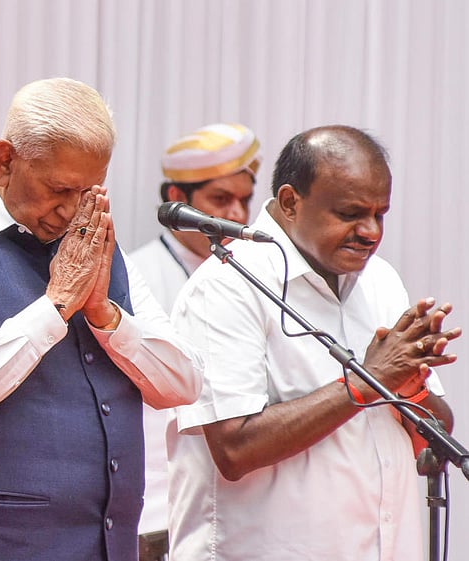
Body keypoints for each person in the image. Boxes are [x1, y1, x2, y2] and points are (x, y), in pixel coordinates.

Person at [0, 77, 204, 561]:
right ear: (5, 160)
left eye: (89, 191)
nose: (72, 210)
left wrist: (105, 314)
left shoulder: (96, 246)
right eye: (59, 189)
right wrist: (54, 307)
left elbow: (184, 383)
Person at [167, 124, 460, 560]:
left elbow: (433, 439)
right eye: (350, 213)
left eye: (380, 214)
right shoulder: (228, 285)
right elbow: (234, 448)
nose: (371, 232)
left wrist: (410, 384)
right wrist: (368, 380)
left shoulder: (380, 280)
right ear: (290, 202)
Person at [128, 122, 260, 559]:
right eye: (221, 200)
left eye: (244, 199)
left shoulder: (250, 277)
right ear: (176, 201)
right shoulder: (132, 276)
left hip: (237, 508)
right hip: (151, 510)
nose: (237, 214)